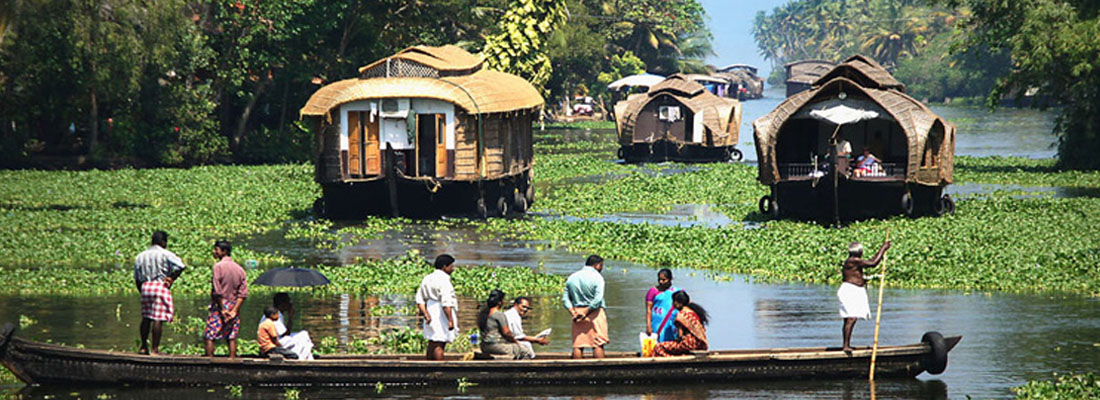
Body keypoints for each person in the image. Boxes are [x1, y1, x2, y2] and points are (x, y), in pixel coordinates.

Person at [133, 230, 186, 355]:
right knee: (158, 318)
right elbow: (181, 266)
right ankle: (155, 349)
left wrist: (142, 290)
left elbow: (136, 277)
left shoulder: (141, 256)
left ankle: (143, 346)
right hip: (159, 285)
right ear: (163, 242)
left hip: (145, 286)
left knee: (146, 317)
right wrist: (172, 277)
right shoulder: (165, 253)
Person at [839, 240, 891, 353]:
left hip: (854, 290)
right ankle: (846, 346)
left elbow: (870, 261)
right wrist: (883, 248)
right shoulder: (853, 260)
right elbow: (873, 263)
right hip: (850, 291)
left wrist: (864, 280)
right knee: (851, 318)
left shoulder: (855, 261)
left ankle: (846, 345)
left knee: (851, 318)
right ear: (859, 251)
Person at [204, 240, 248, 358]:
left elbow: (217, 291)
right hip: (234, 305)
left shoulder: (218, 267)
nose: (214, 252)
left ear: (224, 251)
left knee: (209, 335)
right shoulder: (240, 269)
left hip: (220, 305)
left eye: (216, 249)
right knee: (231, 336)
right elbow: (242, 294)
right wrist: (234, 310)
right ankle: (232, 361)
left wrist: (223, 309)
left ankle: (209, 362)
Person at [563, 255, 608, 359]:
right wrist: (586, 311)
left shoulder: (572, 277)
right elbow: (597, 300)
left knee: (578, 344)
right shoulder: (598, 278)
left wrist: (573, 312)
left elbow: (565, 299)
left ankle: (576, 371)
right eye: (601, 266)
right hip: (595, 313)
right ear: (597, 265)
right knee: (598, 344)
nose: (601, 268)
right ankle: (601, 371)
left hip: (577, 312)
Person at [416, 254, 458, 361]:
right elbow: (446, 303)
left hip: (430, 309)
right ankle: (439, 370)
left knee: (432, 342)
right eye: (451, 266)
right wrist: (450, 320)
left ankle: (428, 366)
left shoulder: (427, 278)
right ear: (444, 267)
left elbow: (420, 299)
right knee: (440, 343)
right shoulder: (444, 280)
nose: (452, 269)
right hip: (440, 313)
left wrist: (426, 314)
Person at [477, 290, 534, 359]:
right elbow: (507, 333)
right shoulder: (499, 315)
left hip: (484, 346)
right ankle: (523, 369)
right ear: (499, 302)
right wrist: (516, 342)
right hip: (495, 346)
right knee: (525, 350)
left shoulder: (483, 314)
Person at [258, 293, 314, 360]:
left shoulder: (270, 314)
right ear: (282, 304)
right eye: (288, 302)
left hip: (276, 340)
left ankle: (304, 357)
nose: (290, 304)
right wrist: (291, 317)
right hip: (275, 343)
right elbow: (286, 334)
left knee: (303, 335)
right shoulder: (276, 316)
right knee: (303, 337)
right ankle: (300, 358)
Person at [653, 291, 710, 357]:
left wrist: (676, 341)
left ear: (678, 303)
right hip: (701, 345)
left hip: (689, 344)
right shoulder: (693, 312)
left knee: (658, 347)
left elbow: (680, 336)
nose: (672, 304)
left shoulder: (682, 315)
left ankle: (672, 359)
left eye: (673, 301)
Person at [644, 269, 680, 342]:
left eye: (664, 280)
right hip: (657, 323)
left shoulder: (677, 292)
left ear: (670, 279)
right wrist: (648, 325)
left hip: (672, 323)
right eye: (659, 280)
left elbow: (685, 306)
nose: (661, 282)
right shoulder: (653, 291)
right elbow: (648, 309)